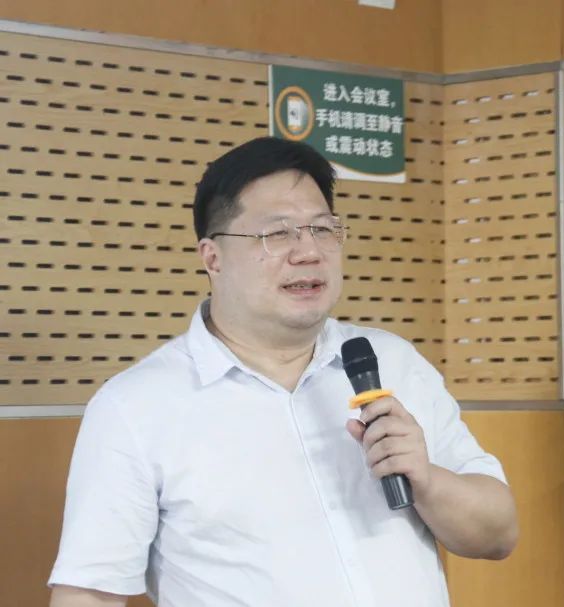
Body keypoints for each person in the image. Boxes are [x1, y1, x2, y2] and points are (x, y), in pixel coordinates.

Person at [49, 137, 518, 607]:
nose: (308, 252)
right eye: (277, 234)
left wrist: (428, 481)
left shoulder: (392, 361)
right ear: (212, 258)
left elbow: (498, 534)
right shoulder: (135, 407)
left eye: (323, 229)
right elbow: (88, 594)